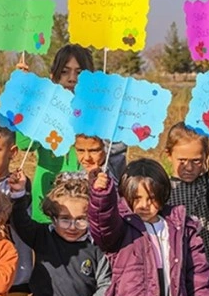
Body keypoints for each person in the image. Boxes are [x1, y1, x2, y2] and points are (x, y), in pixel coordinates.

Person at [88, 158, 209, 296]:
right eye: (136, 198)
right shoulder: (121, 227)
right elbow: (102, 224)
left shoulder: (183, 228)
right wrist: (101, 196)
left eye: (151, 198)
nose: (144, 205)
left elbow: (199, 282)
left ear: (162, 194)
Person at [15, 44, 126, 223]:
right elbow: (23, 143)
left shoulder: (98, 112)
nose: (72, 79)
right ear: (53, 77)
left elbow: (115, 155)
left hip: (86, 205)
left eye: (79, 73)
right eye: (65, 72)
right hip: (47, 202)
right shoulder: (43, 109)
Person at [8, 171, 110, 296]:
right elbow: (19, 221)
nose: (72, 227)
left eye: (81, 220)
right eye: (65, 219)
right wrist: (18, 193)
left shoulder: (96, 245)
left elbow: (106, 283)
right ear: (53, 216)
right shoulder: (42, 236)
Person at [163, 122, 209, 279]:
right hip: (176, 267)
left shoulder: (208, 183)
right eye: (182, 160)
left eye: (196, 161)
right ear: (169, 155)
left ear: (205, 156)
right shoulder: (163, 189)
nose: (189, 167)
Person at [0, 125, 33, 296]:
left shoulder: (19, 185)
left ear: (12, 152)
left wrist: (18, 194)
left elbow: (22, 223)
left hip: (15, 280)